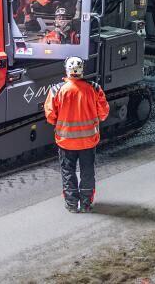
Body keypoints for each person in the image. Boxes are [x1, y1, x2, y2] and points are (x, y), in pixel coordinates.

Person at [44, 56, 110, 213]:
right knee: (87, 171)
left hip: (66, 141)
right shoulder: (94, 88)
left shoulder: (57, 90)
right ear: (82, 70)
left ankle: (72, 204)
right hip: (88, 141)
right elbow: (103, 113)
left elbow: (50, 116)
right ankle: (86, 204)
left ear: (66, 69)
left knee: (68, 172)